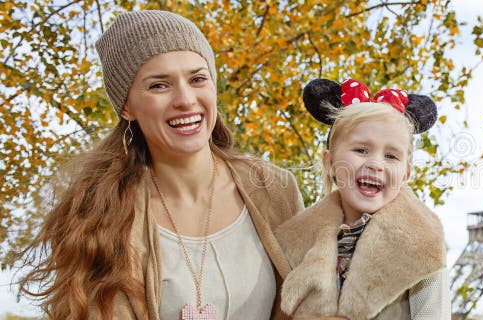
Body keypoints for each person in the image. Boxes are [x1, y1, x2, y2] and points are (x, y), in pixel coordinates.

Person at [17, 10, 303, 319]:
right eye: (159, 86)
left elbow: (316, 299)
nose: (185, 99)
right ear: (127, 107)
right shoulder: (100, 216)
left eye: (197, 79)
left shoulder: (275, 189)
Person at [275, 78, 450, 319]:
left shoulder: (423, 247)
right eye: (361, 150)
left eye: (391, 156)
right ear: (330, 163)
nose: (376, 164)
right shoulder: (292, 243)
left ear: (406, 174)